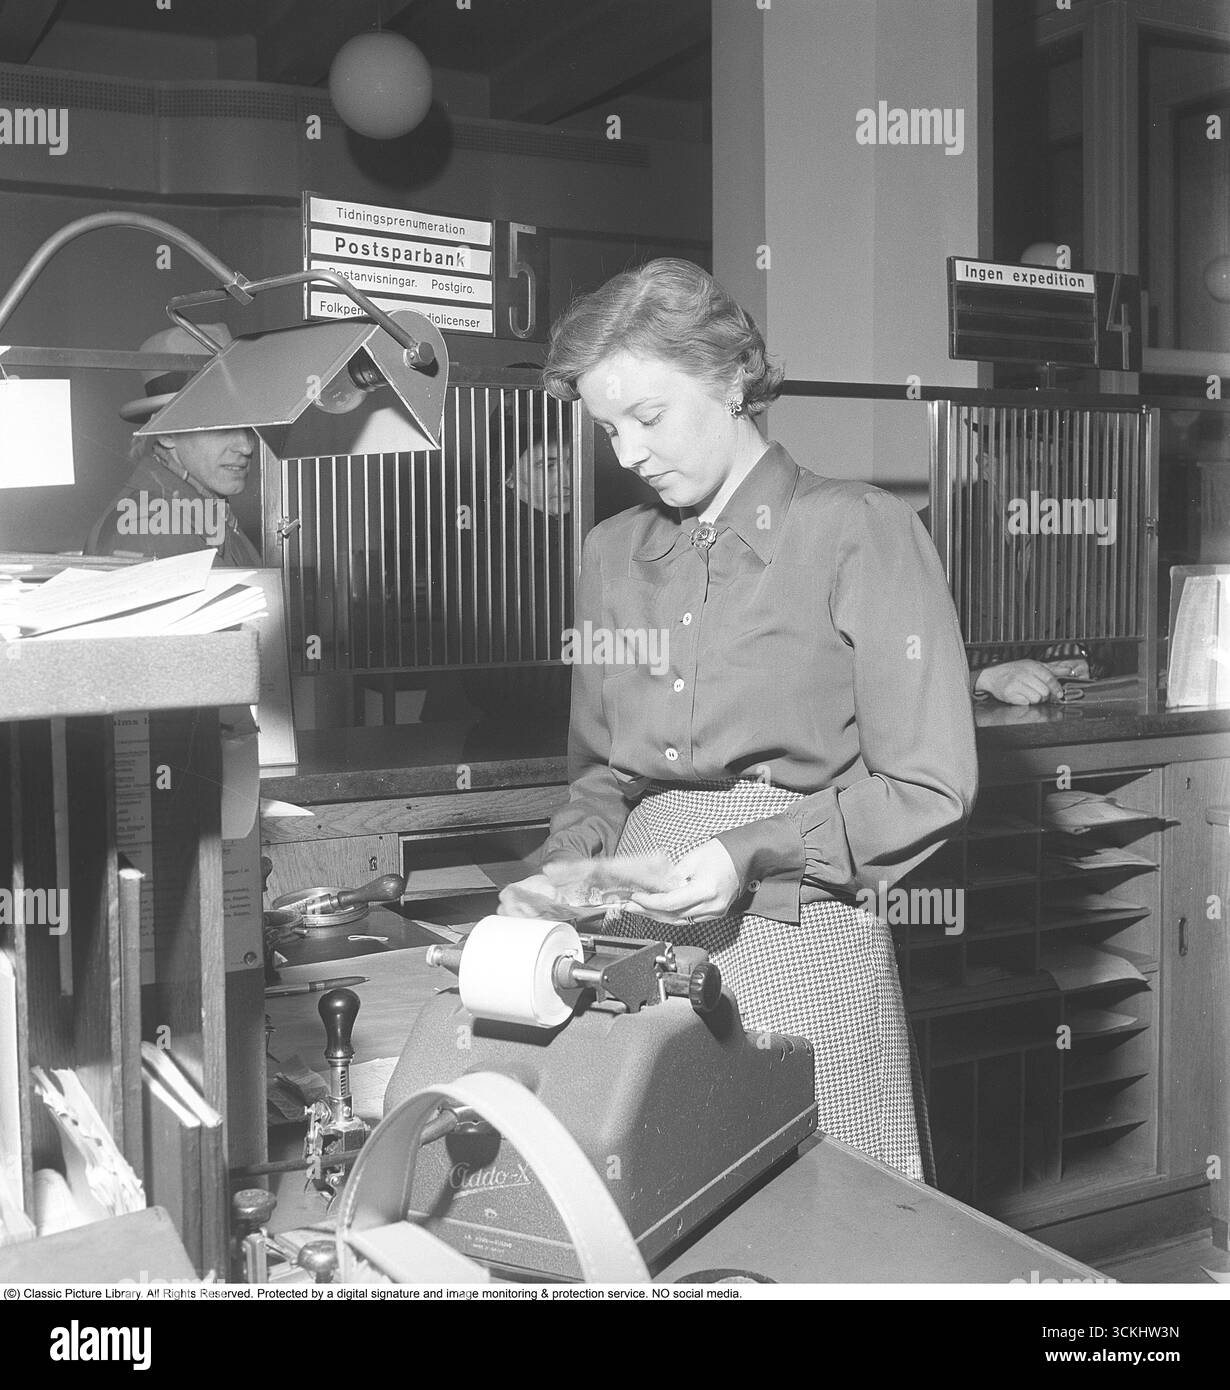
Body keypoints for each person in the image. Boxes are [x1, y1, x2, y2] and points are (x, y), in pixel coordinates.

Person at [498, 259, 979, 1182]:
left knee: (828, 1212)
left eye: (648, 417)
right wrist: (566, 870)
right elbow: (601, 774)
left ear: (731, 381)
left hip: (804, 928)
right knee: (658, 1202)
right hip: (640, 936)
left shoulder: (861, 531)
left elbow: (930, 785)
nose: (629, 454)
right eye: (607, 430)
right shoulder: (610, 552)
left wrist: (745, 850)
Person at [85, 324, 261, 566]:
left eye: (249, 426)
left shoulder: (197, 512)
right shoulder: (153, 527)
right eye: (222, 426)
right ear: (166, 432)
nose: (246, 447)